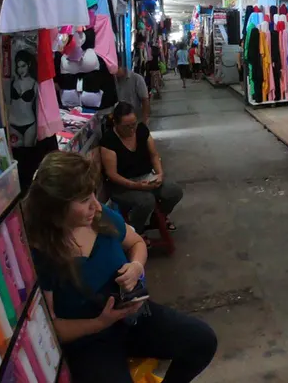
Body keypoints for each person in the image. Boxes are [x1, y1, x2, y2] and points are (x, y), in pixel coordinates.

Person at [24, 152, 216, 382]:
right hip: (92, 340)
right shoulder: (41, 254)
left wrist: (136, 266)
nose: (95, 206)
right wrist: (100, 323)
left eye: (93, 196)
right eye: (84, 200)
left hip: (133, 317)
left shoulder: (99, 217)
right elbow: (52, 327)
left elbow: (136, 242)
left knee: (202, 341)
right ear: (56, 207)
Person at [100, 102, 183, 233]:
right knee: (146, 200)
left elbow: (154, 155)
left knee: (174, 191)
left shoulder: (142, 131)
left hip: (146, 177)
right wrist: (136, 186)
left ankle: (158, 218)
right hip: (122, 186)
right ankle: (136, 230)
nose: (132, 129)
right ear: (115, 124)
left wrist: (159, 174)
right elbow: (112, 175)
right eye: (127, 127)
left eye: (134, 124)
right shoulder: (109, 141)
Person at [9, 50, 38, 148]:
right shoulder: (12, 82)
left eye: (23, 66)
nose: (20, 70)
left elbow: (38, 108)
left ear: (29, 65)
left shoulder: (35, 84)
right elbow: (6, 104)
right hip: (13, 124)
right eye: (18, 67)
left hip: (30, 124)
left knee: (29, 156)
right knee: (17, 155)